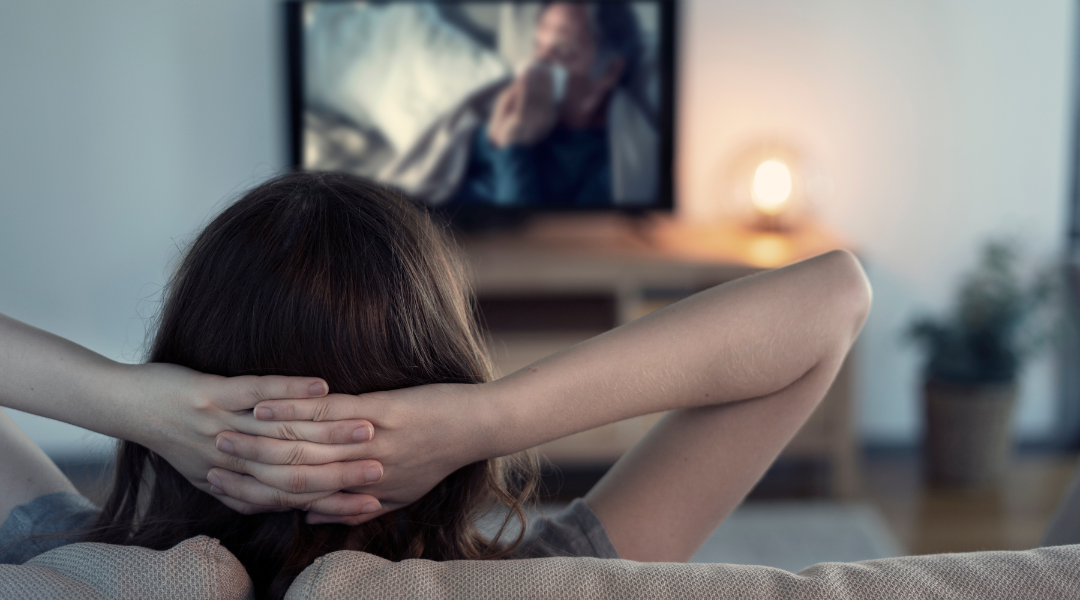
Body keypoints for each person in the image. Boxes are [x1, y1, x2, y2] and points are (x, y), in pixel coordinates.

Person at [0, 172, 871, 598]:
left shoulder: (75, 568)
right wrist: (494, 415)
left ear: (185, 371)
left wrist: (123, 397)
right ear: (442, 371)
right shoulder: (553, 583)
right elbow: (834, 297)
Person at [451, 2, 643, 207]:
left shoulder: (611, 170)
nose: (537, 62)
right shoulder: (521, 103)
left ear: (609, 72)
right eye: (538, 45)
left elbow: (521, 234)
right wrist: (495, 129)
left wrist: (513, 147)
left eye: (563, 51)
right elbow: (460, 159)